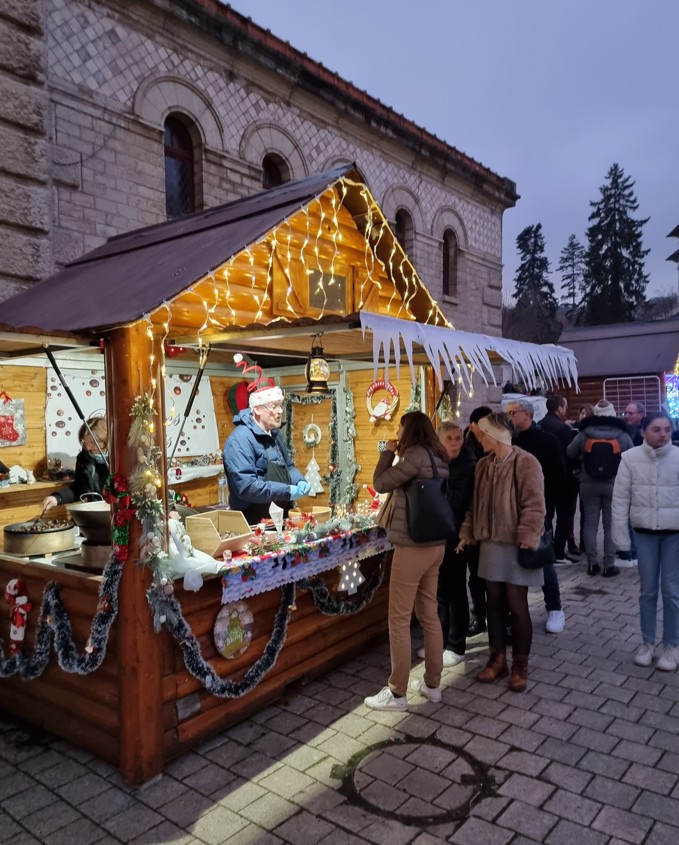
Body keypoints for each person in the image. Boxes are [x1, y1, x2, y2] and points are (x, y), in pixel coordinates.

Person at [365, 411, 450, 710]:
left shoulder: (413, 456)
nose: (397, 432)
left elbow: (381, 483)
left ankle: (397, 693)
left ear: (408, 430)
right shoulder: (438, 455)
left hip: (413, 546)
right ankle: (433, 685)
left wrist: (387, 452)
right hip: (436, 545)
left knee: (398, 619)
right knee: (429, 614)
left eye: (400, 427)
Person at [457, 413, 545, 692]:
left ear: (495, 436)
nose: (478, 439)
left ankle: (520, 663)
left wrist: (528, 535)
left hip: (516, 545)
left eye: (482, 434)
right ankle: (497, 659)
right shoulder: (483, 465)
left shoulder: (525, 462)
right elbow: (474, 505)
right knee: (492, 601)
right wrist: (467, 533)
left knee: (517, 605)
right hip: (490, 545)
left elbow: (534, 504)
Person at [612, 412, 679, 671]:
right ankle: (647, 642)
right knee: (647, 591)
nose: (663, 434)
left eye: (667, 429)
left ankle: (671, 645)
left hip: (674, 534)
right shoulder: (629, 459)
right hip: (644, 533)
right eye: (656, 429)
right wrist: (621, 539)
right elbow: (619, 500)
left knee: (672, 592)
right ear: (643, 432)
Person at [416, 421, 475, 667]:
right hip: (436, 536)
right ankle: (438, 644)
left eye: (459, 438)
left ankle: (456, 645)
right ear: (439, 441)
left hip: (456, 537)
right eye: (450, 439)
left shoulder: (466, 465)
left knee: (456, 592)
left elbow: (457, 501)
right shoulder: (437, 463)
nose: (455, 443)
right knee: (440, 592)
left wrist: (435, 484)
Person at [506, 398, 567, 634]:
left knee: (543, 558)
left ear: (527, 414)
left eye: (513, 412)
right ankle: (514, 613)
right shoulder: (508, 441)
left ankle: (555, 608)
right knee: (512, 560)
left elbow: (557, 476)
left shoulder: (547, 440)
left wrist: (545, 504)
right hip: (510, 510)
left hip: (539, 509)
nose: (509, 416)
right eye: (507, 412)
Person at [224, 379, 310, 524]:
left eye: (280, 405)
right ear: (257, 409)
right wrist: (287, 491)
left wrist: (300, 481)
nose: (280, 411)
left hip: (280, 516)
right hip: (253, 521)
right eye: (273, 406)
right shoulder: (239, 440)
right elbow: (247, 487)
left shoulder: (274, 433)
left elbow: (288, 467)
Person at [567, 399, 633, 577]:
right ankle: (609, 565)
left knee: (590, 524)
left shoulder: (584, 433)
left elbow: (570, 452)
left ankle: (592, 564)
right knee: (610, 525)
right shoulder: (622, 434)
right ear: (612, 414)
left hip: (588, 484)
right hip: (615, 485)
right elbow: (631, 456)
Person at [538, 395, 580, 562]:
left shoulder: (540, 425)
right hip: (561, 479)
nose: (566, 409)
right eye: (565, 406)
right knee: (565, 515)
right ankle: (558, 551)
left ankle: (546, 547)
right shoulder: (562, 429)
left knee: (547, 515)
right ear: (560, 408)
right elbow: (567, 455)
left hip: (543, 478)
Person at [42, 416, 109, 510]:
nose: (88, 448)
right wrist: (57, 498)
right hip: (95, 511)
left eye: (92, 444)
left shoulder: (118, 459)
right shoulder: (83, 458)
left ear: (105, 440)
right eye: (85, 444)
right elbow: (78, 489)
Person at [616, 400, 646, 563]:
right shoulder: (624, 429)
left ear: (641, 415)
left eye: (630, 413)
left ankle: (633, 550)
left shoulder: (646, 432)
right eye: (625, 413)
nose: (626, 416)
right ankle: (628, 549)